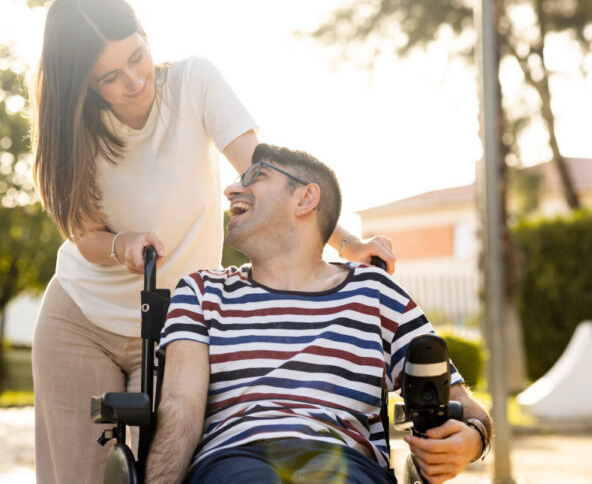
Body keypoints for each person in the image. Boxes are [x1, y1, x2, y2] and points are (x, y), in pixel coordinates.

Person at [30, 0, 396, 484]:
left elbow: (267, 178)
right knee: (81, 476)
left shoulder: (194, 82)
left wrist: (348, 244)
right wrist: (122, 244)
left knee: (163, 466)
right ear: (85, 84)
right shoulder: (73, 128)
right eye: (111, 77)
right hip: (78, 321)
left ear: (145, 35)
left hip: (171, 324)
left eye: (138, 56)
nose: (135, 81)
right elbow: (83, 234)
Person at [145, 144, 492, 484]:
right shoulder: (201, 292)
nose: (232, 188)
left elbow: (461, 402)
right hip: (238, 457)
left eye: (256, 176)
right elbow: (180, 411)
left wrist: (472, 439)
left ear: (306, 199)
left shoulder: (375, 293)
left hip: (345, 461)